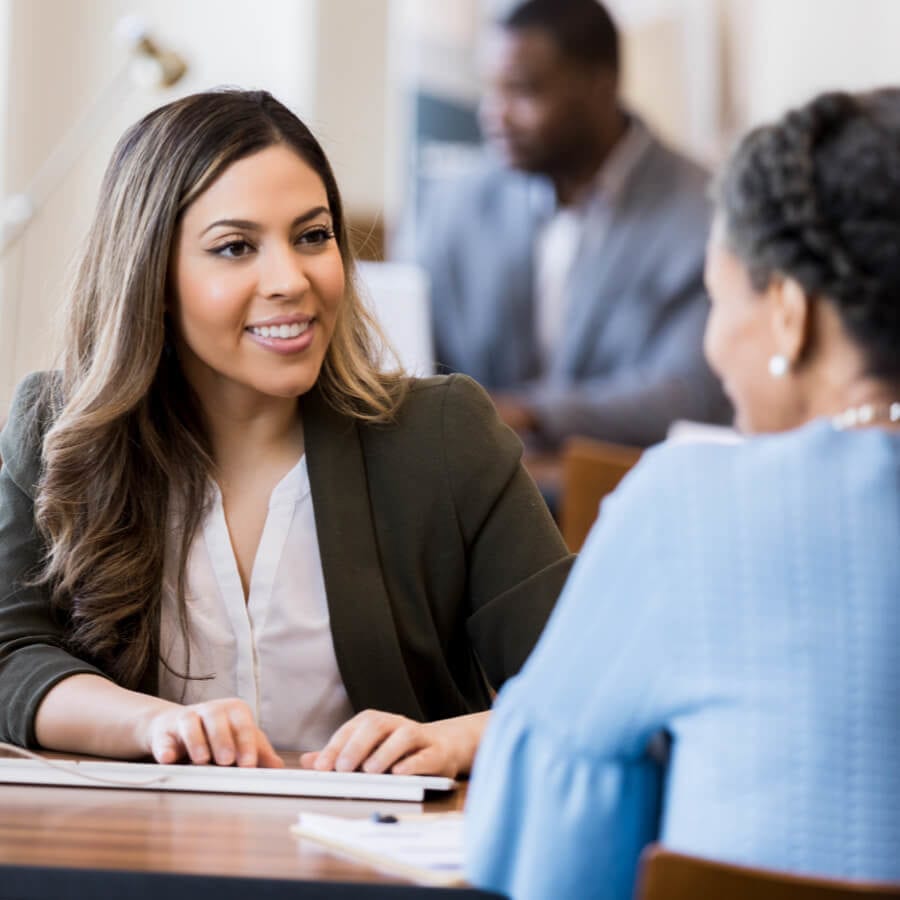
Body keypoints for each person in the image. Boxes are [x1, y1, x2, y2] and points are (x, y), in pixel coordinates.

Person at [0, 89, 573, 775]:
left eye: (313, 236)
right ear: (152, 276)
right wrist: (157, 724)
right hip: (134, 856)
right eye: (236, 247)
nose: (291, 279)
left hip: (374, 864)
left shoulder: (445, 434)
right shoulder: (55, 428)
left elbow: (588, 680)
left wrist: (458, 739)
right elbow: (9, 653)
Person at [464, 87, 900, 899]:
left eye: (719, 296)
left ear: (790, 314)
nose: (712, 340)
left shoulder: (689, 506)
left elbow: (550, 855)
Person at [410, 0, 729, 448]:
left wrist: (532, 414)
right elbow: (409, 351)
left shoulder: (706, 212)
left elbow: (688, 393)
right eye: (491, 89)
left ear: (601, 85)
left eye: (521, 92)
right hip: (467, 490)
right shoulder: (458, 204)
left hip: (621, 486)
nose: (492, 114)